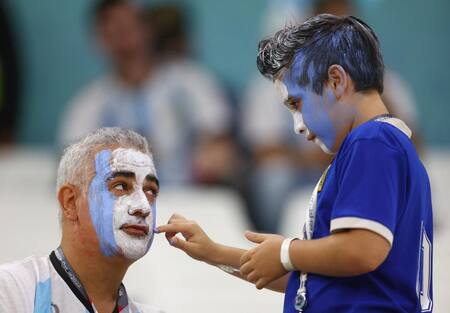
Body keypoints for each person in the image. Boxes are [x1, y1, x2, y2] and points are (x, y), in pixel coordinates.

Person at [158, 14, 433, 312]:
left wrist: (286, 251)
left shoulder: (371, 141)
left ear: (336, 81)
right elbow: (307, 279)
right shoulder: (382, 145)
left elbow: (362, 250)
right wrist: (214, 252)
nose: (297, 126)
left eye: (296, 104)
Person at [240, 0, 423, 233]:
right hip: (303, 171)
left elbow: (412, 144)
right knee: (274, 178)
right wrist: (313, 157)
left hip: (360, 166)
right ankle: (273, 242)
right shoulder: (278, 83)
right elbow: (264, 151)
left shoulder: (386, 84)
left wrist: (377, 98)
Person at [59, 0, 234, 185]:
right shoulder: (89, 104)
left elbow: (219, 140)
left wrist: (211, 156)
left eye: (130, 25)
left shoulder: (191, 83)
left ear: (148, 28)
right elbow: (72, 168)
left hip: (189, 199)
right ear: (100, 39)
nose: (125, 38)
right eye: (114, 29)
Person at [0, 127, 163, 312]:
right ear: (70, 203)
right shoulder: (10, 291)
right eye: (120, 186)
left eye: (151, 191)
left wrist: (205, 256)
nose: (143, 207)